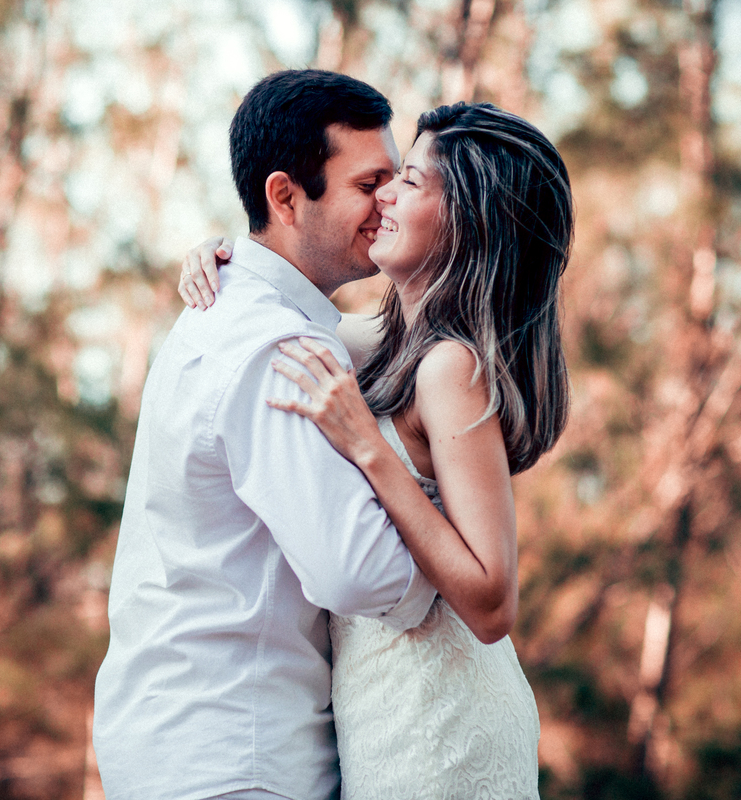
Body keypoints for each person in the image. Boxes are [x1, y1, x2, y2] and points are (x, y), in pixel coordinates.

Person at [179, 101, 574, 799]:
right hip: (382, 711)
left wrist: (370, 448)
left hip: (441, 719)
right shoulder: (388, 345)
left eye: (411, 183)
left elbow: (492, 602)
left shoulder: (450, 368)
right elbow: (285, 302)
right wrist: (227, 254)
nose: (384, 194)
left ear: (467, 220)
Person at [92, 70, 438, 800]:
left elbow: (394, 340)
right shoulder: (274, 349)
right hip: (235, 761)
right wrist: (451, 552)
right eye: (369, 182)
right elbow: (367, 578)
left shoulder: (242, 315)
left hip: (186, 743)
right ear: (285, 196)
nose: (389, 203)